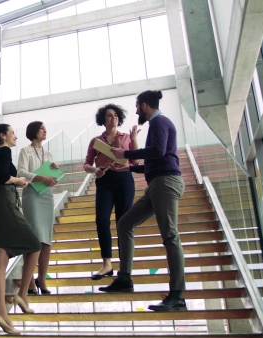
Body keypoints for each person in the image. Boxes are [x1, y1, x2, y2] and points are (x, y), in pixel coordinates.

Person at [102, 90, 186, 312]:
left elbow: (157, 151)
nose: (137, 111)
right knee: (124, 223)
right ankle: (125, 279)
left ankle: (177, 295)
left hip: (165, 183)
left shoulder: (159, 122)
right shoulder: (158, 124)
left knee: (170, 236)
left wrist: (126, 154)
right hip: (157, 183)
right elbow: (156, 158)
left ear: (145, 106)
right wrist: (129, 166)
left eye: (137, 107)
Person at [0, 124, 42, 333]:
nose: (15, 136)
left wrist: (13, 183)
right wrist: (17, 180)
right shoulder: (5, 151)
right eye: (12, 133)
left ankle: (2, 311)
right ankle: (23, 294)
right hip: (7, 205)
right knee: (35, 245)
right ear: (3, 136)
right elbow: (1, 177)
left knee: (1, 258)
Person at [83, 104, 139, 281]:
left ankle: (124, 267)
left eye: (115, 115)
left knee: (123, 222)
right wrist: (95, 170)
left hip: (124, 180)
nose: (113, 118)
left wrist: (135, 138)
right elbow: (86, 165)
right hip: (104, 181)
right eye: (109, 115)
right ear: (103, 119)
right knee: (101, 219)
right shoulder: (95, 141)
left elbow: (135, 160)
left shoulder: (127, 137)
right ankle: (107, 264)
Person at [17, 121, 58, 295]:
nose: (45, 130)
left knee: (46, 239)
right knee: (33, 239)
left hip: (47, 196)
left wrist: (54, 173)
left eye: (45, 128)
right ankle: (30, 281)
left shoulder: (48, 153)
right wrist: (42, 178)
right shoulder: (25, 151)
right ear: (34, 131)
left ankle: (42, 279)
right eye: (42, 128)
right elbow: (21, 173)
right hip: (31, 195)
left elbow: (51, 179)